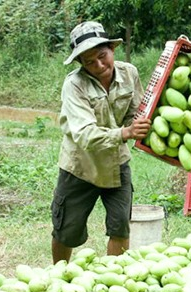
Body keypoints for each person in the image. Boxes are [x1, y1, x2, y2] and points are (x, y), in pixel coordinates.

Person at [51, 21, 152, 263]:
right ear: (80, 64)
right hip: (80, 167)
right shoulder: (74, 85)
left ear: (112, 50)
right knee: (67, 231)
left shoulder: (129, 73)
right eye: (89, 62)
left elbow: (135, 112)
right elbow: (85, 135)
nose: (98, 65)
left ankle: (113, 278)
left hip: (117, 164)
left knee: (120, 226)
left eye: (102, 56)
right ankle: (58, 277)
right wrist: (125, 133)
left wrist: (141, 126)